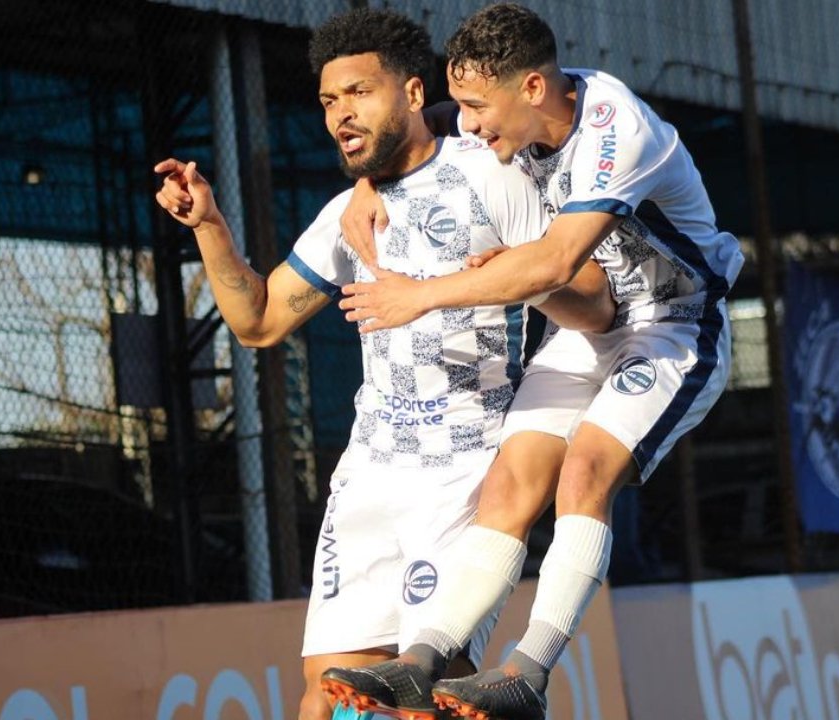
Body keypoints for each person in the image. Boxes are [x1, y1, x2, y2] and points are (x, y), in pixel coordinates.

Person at [153, 9, 613, 720]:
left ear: (411, 94)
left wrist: (490, 281)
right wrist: (209, 226)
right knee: (328, 692)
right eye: (330, 101)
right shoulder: (348, 210)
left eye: (359, 93)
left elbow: (591, 297)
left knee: (429, 690)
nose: (341, 114)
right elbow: (258, 321)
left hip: (465, 470)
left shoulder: (492, 174)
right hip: (369, 475)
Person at [321, 4, 743, 719]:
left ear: (535, 90)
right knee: (510, 484)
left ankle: (528, 672)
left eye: (481, 108)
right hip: (587, 326)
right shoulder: (491, 123)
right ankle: (420, 660)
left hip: (673, 327)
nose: (471, 125)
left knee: (584, 471)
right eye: (462, 105)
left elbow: (551, 261)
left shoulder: (617, 129)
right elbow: (421, 150)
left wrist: (419, 297)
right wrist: (368, 184)